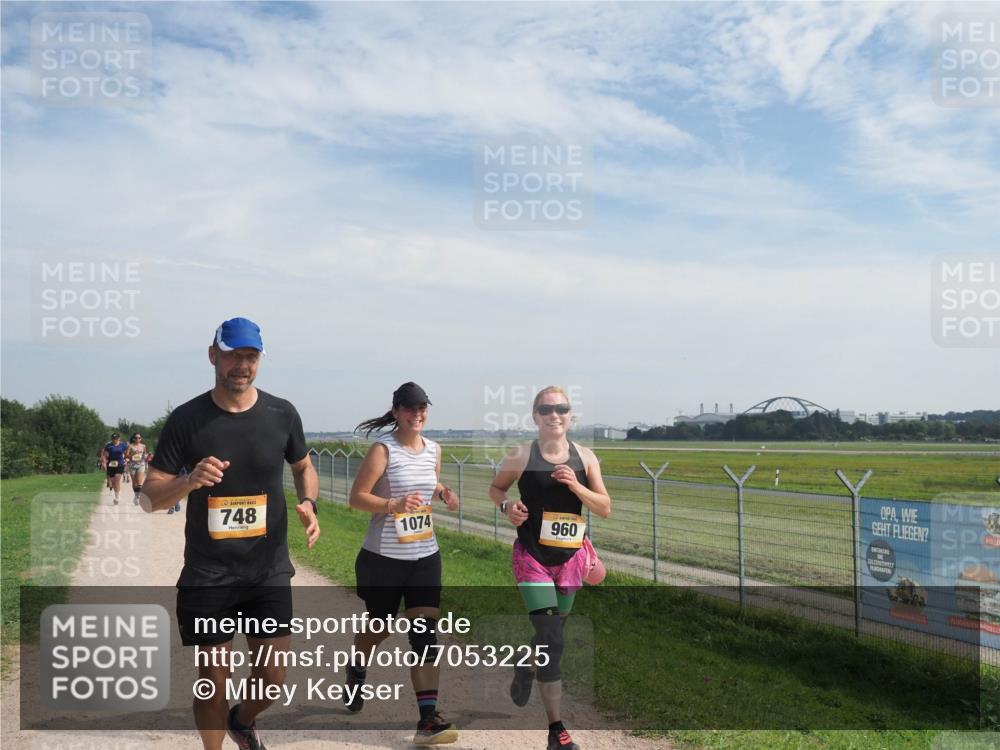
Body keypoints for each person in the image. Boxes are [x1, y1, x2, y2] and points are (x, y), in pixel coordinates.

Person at [141, 317, 320, 750]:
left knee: (272, 680)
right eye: (233, 355)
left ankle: (242, 721)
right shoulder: (188, 419)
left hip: (268, 569)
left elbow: (303, 466)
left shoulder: (282, 413)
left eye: (250, 356)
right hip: (209, 574)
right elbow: (149, 497)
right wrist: (187, 481)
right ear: (213, 356)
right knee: (213, 680)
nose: (242, 365)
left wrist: (309, 503)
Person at [488, 386, 612, 750]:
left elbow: (604, 507)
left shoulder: (586, 458)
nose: (554, 415)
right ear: (535, 416)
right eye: (546, 409)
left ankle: (525, 666)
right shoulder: (521, 454)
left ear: (570, 415)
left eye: (561, 408)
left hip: (571, 560)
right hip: (532, 557)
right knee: (553, 641)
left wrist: (576, 485)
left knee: (550, 635)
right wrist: (507, 507)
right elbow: (496, 489)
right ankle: (556, 730)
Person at [346, 382, 460, 746]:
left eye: (422, 407)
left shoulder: (434, 450)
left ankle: (427, 719)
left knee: (425, 633)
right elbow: (357, 498)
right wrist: (392, 505)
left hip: (425, 555)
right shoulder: (384, 450)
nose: (417, 414)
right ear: (396, 411)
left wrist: (441, 491)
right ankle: (357, 666)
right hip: (384, 559)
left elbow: (429, 479)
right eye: (410, 408)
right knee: (379, 628)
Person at [101, 433, 128, 504]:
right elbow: (105, 455)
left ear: (119, 438)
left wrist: (126, 460)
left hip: (120, 464)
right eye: (113, 438)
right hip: (110, 465)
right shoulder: (109, 446)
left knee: (117, 479)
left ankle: (117, 497)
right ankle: (117, 493)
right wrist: (104, 463)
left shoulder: (122, 445)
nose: (114, 440)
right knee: (113, 482)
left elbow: (126, 454)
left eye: (116, 438)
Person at [125, 432, 148, 506]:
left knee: (139, 482)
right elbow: (126, 455)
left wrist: (145, 457)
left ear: (141, 439)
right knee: (134, 483)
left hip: (141, 464)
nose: (137, 439)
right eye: (136, 438)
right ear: (133, 438)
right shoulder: (130, 446)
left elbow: (145, 454)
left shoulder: (143, 446)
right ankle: (136, 495)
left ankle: (138, 497)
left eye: (139, 438)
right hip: (132, 465)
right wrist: (132, 456)